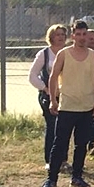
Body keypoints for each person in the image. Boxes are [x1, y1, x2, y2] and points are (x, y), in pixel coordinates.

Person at [40, 20, 94, 187]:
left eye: (85, 34)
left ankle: (77, 177)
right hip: (67, 107)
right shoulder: (64, 54)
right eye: (78, 34)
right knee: (59, 143)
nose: (82, 38)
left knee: (81, 144)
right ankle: (51, 180)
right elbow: (53, 78)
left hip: (87, 107)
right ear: (73, 35)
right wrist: (53, 100)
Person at [28, 23, 68, 168]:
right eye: (57, 35)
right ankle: (50, 160)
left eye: (63, 34)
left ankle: (63, 160)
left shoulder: (69, 52)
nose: (61, 37)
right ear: (50, 37)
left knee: (65, 128)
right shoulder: (44, 54)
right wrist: (45, 88)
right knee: (52, 127)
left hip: (67, 96)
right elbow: (32, 75)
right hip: (49, 96)